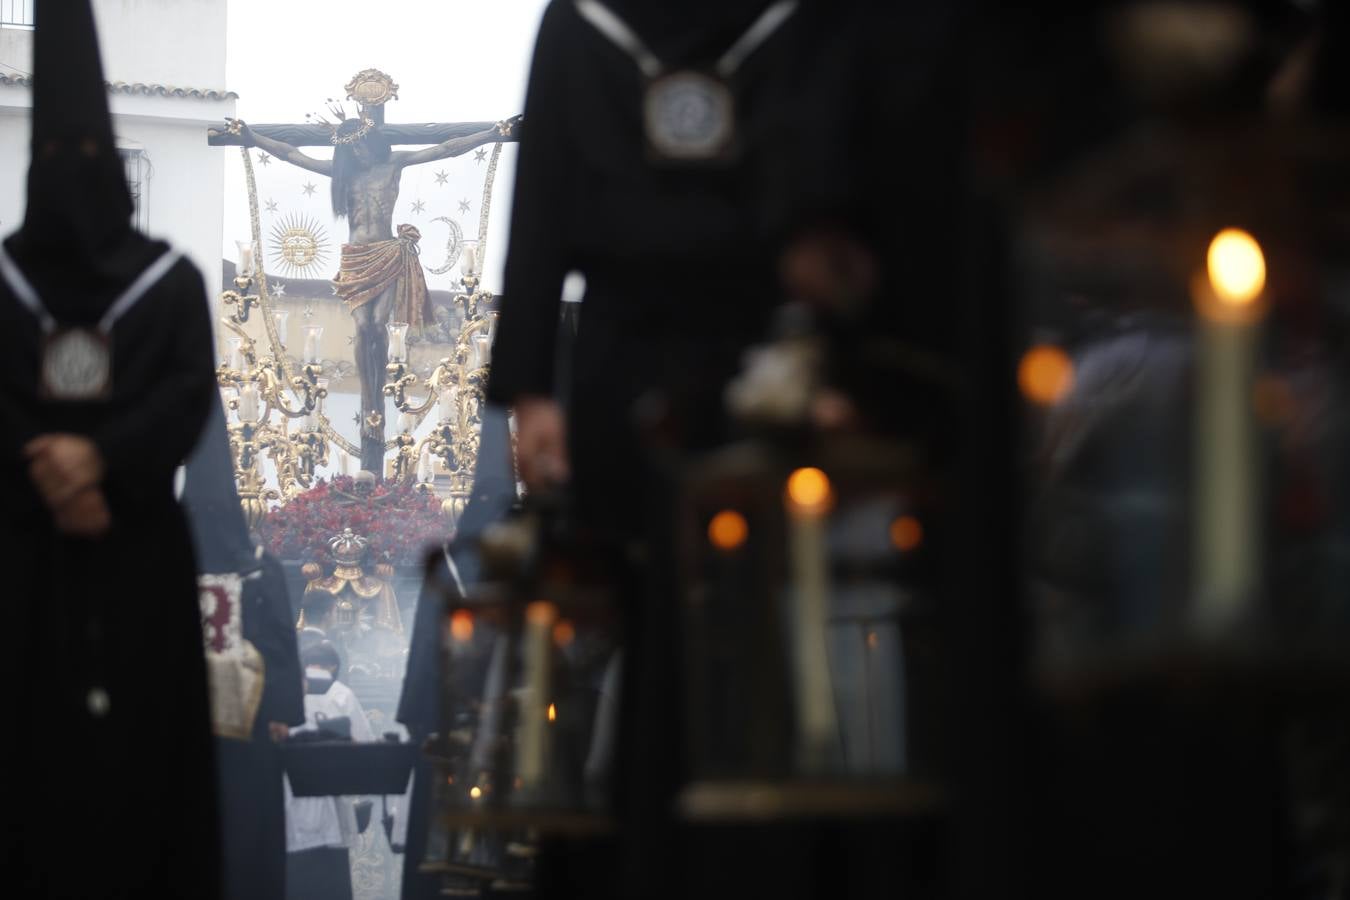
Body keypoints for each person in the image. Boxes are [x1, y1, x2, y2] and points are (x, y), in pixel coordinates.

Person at [0, 1, 219, 897]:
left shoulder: (169, 286)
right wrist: (60, 473)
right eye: (61, 164)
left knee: (140, 770)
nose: (75, 180)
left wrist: (99, 461)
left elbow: (187, 395)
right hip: (19, 560)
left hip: (134, 559)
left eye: (85, 162)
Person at [231, 114, 518, 473]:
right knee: (363, 326)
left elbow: (444, 149)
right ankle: (370, 391)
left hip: (387, 253)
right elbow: (292, 154)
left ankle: (382, 382)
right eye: (353, 151)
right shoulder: (345, 176)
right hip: (355, 257)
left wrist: (491, 134)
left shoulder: (393, 163)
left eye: (362, 147)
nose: (360, 155)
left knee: (379, 324)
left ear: (373, 144)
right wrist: (252, 137)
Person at [181, 396, 306, 900]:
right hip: (246, 736)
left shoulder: (169, 560)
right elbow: (280, 644)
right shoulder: (260, 567)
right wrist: (280, 711)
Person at [285, 640, 376, 900]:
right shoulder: (341, 694)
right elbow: (365, 747)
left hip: (292, 799)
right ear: (333, 666)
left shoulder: (286, 694)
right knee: (330, 876)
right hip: (332, 799)